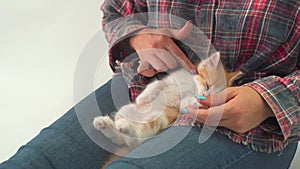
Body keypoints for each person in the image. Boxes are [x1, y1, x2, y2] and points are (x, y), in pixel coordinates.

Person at [1, 0, 299, 168]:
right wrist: (137, 35)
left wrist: (268, 101)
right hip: (148, 87)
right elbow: (117, 9)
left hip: (252, 124)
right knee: (33, 163)